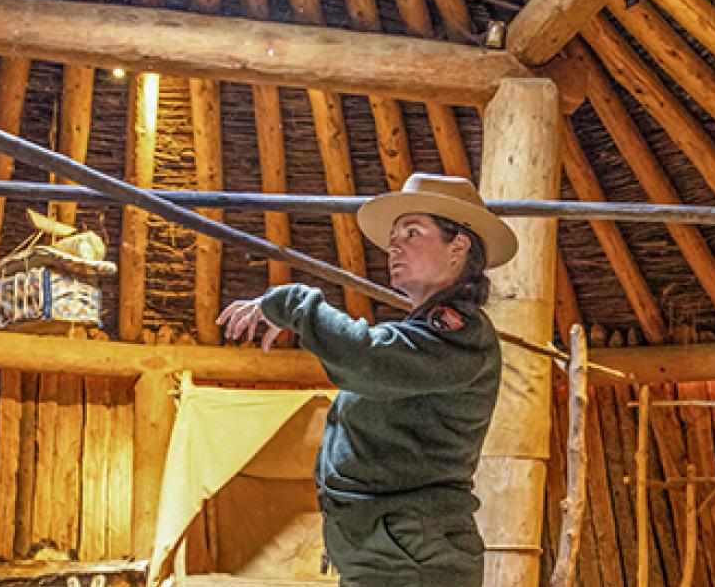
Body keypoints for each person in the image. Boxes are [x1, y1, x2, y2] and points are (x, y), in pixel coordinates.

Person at [216, 173, 517, 587]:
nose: (394, 245)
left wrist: (293, 303)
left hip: (412, 558)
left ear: (458, 248)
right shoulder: (423, 333)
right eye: (394, 236)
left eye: (413, 232)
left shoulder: (458, 332)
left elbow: (365, 359)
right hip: (386, 549)